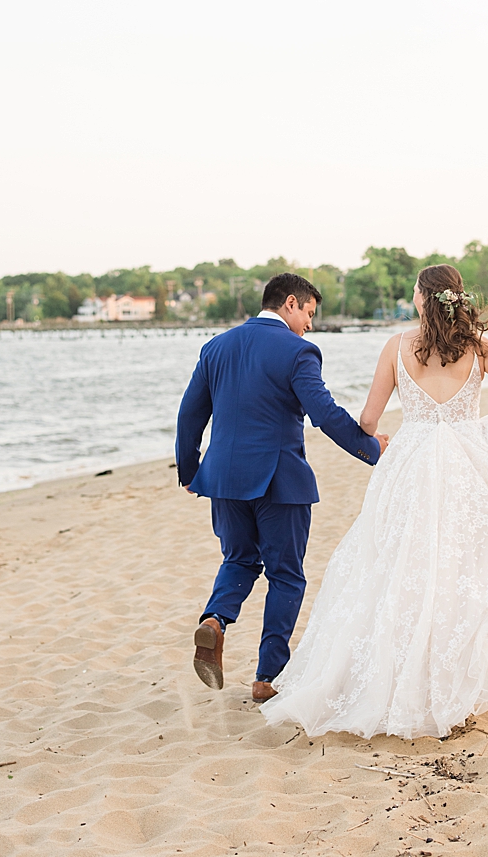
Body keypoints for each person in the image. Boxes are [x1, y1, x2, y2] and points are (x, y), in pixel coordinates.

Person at [261, 264, 488, 739]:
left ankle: (390, 678)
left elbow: (370, 419)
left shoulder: (397, 347)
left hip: (411, 464)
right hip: (464, 465)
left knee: (393, 568)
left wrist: (379, 431)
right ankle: (445, 679)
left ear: (421, 299)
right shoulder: (478, 345)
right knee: (455, 569)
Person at [176, 273, 387, 701]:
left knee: (239, 559)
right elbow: (325, 415)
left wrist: (190, 471)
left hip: (223, 480)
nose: (310, 324)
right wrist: (372, 448)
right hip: (279, 482)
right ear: (290, 303)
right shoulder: (298, 351)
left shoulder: (216, 348)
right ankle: (266, 678)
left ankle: (215, 620)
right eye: (309, 313)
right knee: (286, 576)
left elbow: (189, 415)